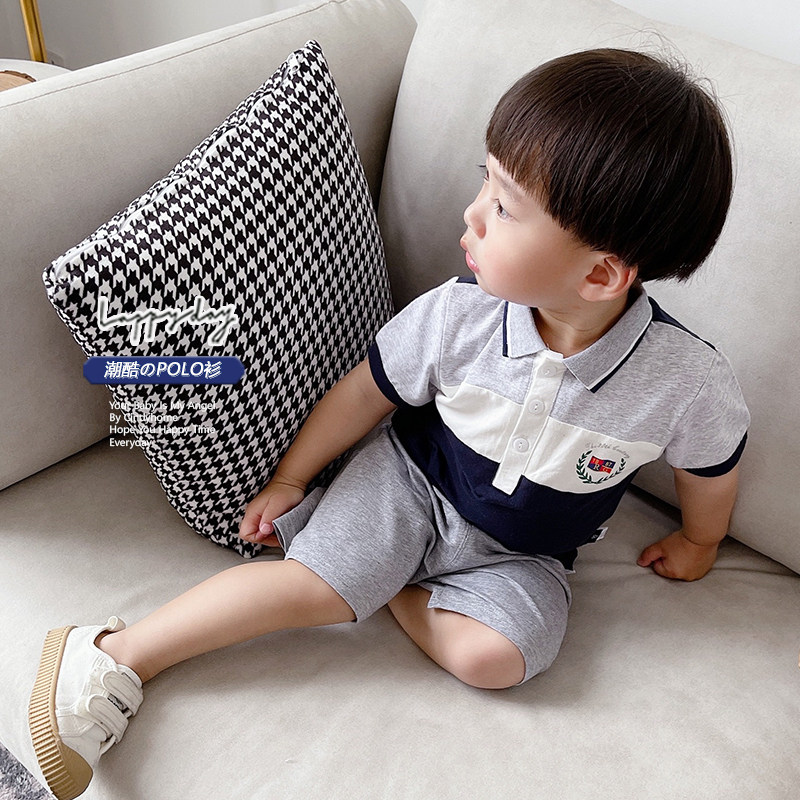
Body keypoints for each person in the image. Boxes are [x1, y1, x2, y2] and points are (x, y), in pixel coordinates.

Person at [28, 48, 749, 800]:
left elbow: (710, 467)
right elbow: (364, 393)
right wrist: (291, 477)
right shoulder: (457, 316)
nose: (472, 214)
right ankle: (114, 654)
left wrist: (700, 541)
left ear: (600, 274)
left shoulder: (687, 381)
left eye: (504, 208)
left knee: (498, 660)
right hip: (408, 485)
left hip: (524, 551)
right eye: (485, 181)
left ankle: (387, 582)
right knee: (312, 591)